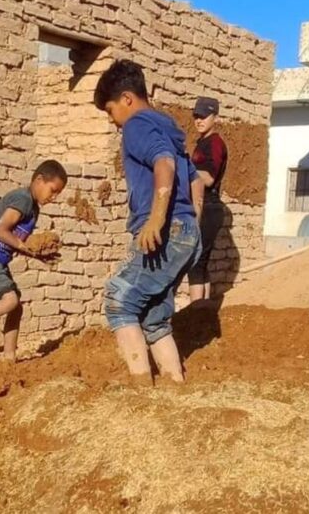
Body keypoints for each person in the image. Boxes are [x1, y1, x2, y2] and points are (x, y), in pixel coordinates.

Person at [93, 59, 204, 384]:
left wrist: (157, 221)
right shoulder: (168, 129)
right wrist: (189, 226)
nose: (113, 122)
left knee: (119, 302)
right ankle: (173, 386)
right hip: (184, 233)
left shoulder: (137, 125)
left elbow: (164, 163)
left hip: (166, 232)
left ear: (127, 99)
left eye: (111, 111)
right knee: (155, 319)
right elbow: (196, 182)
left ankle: (141, 395)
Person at [0, 160, 67, 362]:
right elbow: (0, 231)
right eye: (52, 190)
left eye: (58, 194)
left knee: (16, 306)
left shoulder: (33, 209)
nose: (53, 198)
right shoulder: (22, 199)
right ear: (39, 180)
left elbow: (17, 240)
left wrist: (38, 255)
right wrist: (24, 246)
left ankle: (9, 357)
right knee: (10, 301)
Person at [188, 96, 228, 301]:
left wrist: (185, 171)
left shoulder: (215, 143)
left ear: (215, 117)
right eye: (196, 116)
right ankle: (201, 311)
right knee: (200, 261)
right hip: (204, 206)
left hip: (209, 207)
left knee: (196, 261)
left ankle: (196, 312)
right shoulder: (203, 142)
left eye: (204, 116)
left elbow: (209, 178)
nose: (199, 120)